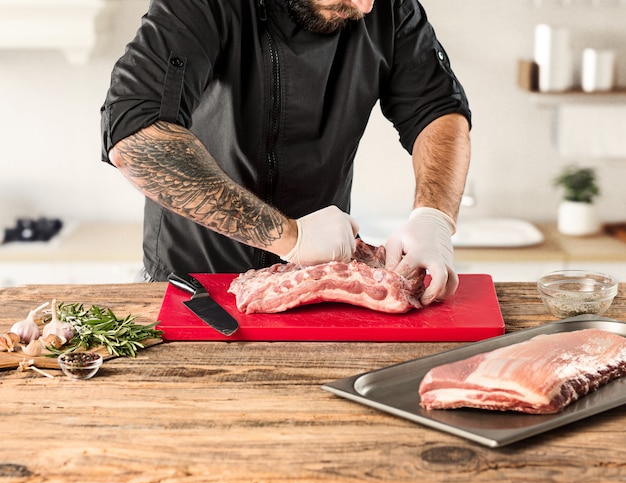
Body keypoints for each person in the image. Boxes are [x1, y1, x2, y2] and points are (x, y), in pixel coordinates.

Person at [100, 0, 471, 305]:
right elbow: (136, 138)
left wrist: (433, 217)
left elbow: (437, 110)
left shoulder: (389, 8)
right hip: (195, 289)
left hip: (320, 286)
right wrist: (291, 237)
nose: (365, 6)